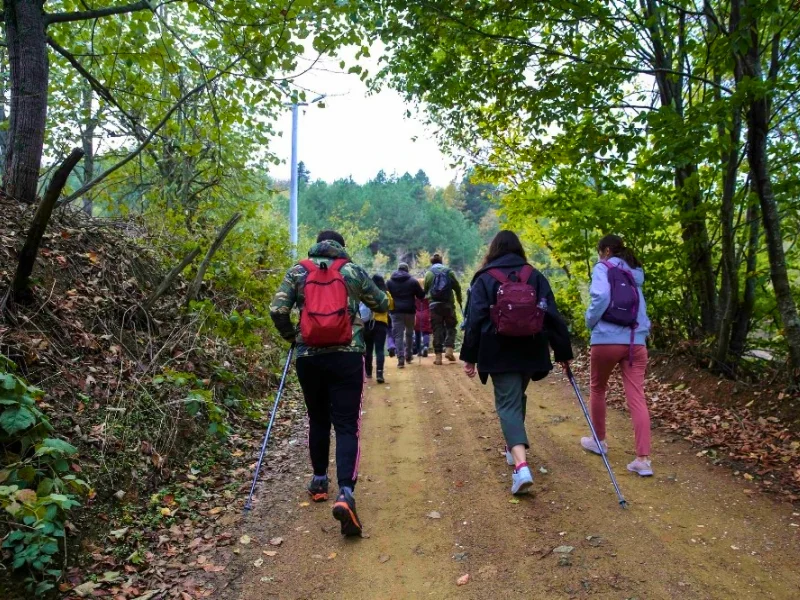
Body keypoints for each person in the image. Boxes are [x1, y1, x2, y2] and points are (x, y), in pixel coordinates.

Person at [269, 230, 388, 536]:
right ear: (340, 247)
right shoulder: (351, 270)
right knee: (347, 425)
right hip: (347, 355)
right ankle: (346, 492)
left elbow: (277, 309)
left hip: (310, 357)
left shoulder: (299, 270)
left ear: (317, 244)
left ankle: (320, 480)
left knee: (318, 419)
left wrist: (292, 337)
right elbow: (382, 301)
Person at [461, 230, 573, 495]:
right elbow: (552, 315)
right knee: (516, 396)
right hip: (532, 348)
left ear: (494, 250)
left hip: (497, 350)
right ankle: (513, 448)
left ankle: (521, 467)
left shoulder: (485, 278)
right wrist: (563, 352)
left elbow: (475, 319)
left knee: (508, 403)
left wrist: (469, 357)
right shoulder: (534, 275)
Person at [583, 234, 653, 476]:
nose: (599, 255)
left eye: (600, 251)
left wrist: (590, 322)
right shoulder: (635, 272)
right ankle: (643, 459)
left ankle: (599, 441)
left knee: (598, 388)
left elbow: (601, 297)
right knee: (637, 396)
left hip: (607, 339)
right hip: (636, 341)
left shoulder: (604, 267)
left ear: (607, 250)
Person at [424, 253, 462, 365]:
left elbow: (426, 290)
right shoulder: (449, 272)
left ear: (432, 262)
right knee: (451, 326)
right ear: (441, 262)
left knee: (437, 329)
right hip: (448, 304)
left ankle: (438, 357)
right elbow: (457, 287)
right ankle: (449, 349)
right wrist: (459, 299)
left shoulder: (429, 273)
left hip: (434, 305)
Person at [386, 262, 424, 368]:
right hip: (410, 311)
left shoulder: (389, 282)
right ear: (407, 270)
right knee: (409, 333)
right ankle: (408, 355)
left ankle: (401, 359)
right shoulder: (413, 281)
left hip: (396, 311)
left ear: (398, 269)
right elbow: (421, 295)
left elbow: (385, 294)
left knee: (398, 336)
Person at [364, 274, 392, 384]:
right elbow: (391, 306)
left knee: (368, 349)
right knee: (379, 350)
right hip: (381, 324)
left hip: (367, 323)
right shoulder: (386, 293)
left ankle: (368, 372)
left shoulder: (367, 293)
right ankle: (379, 374)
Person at [414, 292, 432, 357]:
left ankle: (419, 350)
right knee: (426, 332)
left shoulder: (414, 295)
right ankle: (425, 346)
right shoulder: (428, 294)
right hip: (426, 314)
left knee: (417, 333)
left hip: (417, 314)